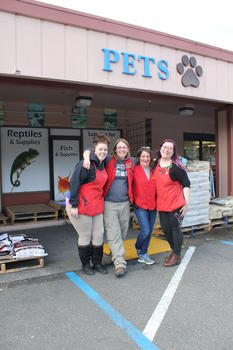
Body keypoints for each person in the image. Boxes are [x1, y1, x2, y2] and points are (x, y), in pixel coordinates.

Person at [83, 138, 135, 277]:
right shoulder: (108, 160)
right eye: (119, 147)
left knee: (123, 231)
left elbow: (147, 159)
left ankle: (115, 251)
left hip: (125, 203)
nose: (122, 150)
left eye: (124, 147)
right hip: (109, 203)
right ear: (115, 149)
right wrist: (86, 157)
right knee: (113, 232)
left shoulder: (132, 162)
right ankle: (119, 263)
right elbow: (90, 151)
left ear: (128, 149)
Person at [66, 134, 109, 276]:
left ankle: (97, 263)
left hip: (96, 205)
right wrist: (74, 205)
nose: (103, 152)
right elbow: (74, 183)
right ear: (94, 150)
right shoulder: (86, 164)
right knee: (85, 235)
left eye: (105, 150)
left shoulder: (104, 163)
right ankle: (86, 265)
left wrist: (87, 152)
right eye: (100, 149)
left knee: (99, 234)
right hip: (81, 204)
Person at [154, 139, 190, 267]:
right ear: (160, 148)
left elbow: (186, 185)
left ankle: (176, 254)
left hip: (176, 204)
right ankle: (175, 250)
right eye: (164, 147)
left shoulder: (176, 167)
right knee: (166, 230)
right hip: (163, 205)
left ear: (173, 151)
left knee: (175, 229)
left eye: (170, 148)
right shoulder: (156, 164)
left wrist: (186, 203)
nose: (166, 149)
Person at [133, 147, 157, 265]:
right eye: (143, 156)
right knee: (146, 230)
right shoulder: (134, 170)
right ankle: (138, 246)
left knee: (150, 230)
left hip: (153, 204)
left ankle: (143, 253)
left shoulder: (154, 169)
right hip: (140, 204)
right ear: (139, 157)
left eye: (148, 156)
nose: (145, 158)